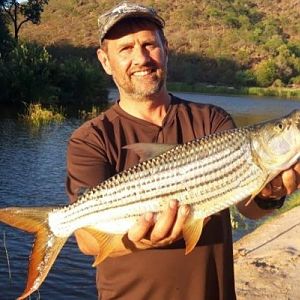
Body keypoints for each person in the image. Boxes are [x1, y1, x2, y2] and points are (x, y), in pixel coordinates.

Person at [66, 2, 300, 300]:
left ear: (166, 49)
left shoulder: (212, 119)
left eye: (149, 43)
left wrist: (272, 193)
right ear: (105, 61)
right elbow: (87, 239)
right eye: (125, 48)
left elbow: (249, 209)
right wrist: (140, 241)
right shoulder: (89, 139)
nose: (140, 57)